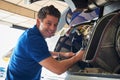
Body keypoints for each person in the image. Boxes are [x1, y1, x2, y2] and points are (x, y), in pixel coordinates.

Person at [5, 5, 84, 80]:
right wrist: (77, 57)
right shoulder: (33, 40)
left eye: (55, 25)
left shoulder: (30, 34)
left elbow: (43, 53)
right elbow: (58, 69)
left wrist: (62, 54)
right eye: (49, 23)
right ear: (38, 22)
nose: (53, 28)